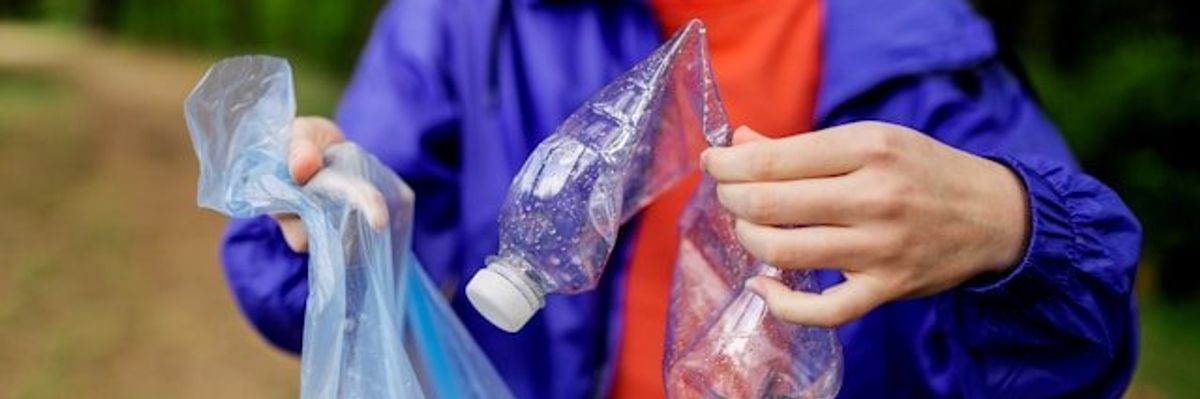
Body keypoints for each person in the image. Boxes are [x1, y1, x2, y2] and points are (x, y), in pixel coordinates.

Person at [219, 0, 1142, 398]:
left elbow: (1085, 339)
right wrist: (321, 209)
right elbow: (308, 289)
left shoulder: (920, 51)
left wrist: (1012, 227)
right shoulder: (480, 19)